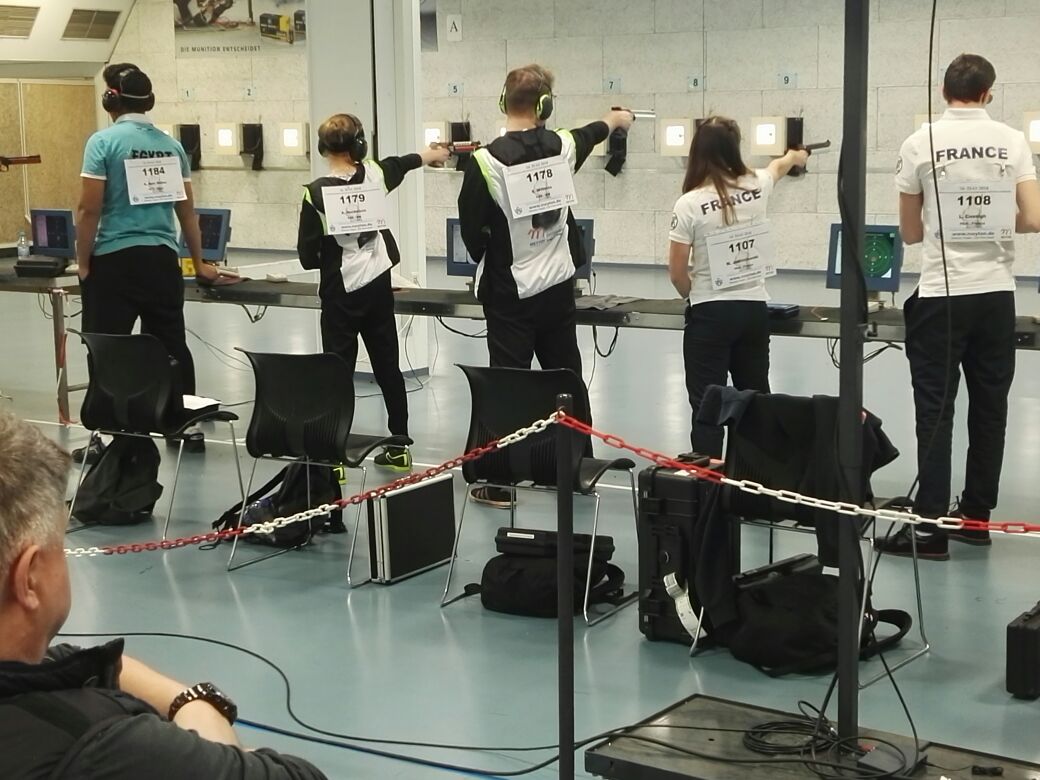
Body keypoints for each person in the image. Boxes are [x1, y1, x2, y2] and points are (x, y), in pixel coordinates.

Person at [0, 411, 327, 779]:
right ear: (29, 578)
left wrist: (189, 701)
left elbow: (79, 662)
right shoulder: (107, 751)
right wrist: (212, 744)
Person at [876, 54, 1040, 561]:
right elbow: (1034, 218)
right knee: (990, 410)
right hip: (995, 296)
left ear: (943, 91)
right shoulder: (1013, 141)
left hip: (942, 296)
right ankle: (975, 519)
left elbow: (910, 232)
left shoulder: (918, 142)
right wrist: (994, 223)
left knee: (936, 411)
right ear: (988, 93)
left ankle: (929, 530)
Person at [457, 63, 634, 507]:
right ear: (545, 105)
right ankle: (579, 466)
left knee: (510, 384)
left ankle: (502, 480)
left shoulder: (485, 161)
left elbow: (471, 228)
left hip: (510, 291)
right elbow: (592, 132)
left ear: (504, 101)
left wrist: (491, 254)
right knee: (566, 377)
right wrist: (616, 119)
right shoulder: (562, 146)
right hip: (557, 286)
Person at [75, 62, 227, 463]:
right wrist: (200, 262)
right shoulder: (171, 146)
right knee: (171, 344)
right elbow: (187, 212)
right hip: (161, 261)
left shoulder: (102, 143)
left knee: (106, 348)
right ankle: (184, 423)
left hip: (114, 261)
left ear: (111, 99)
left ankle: (108, 432)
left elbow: (89, 210)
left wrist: (83, 262)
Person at [298, 113, 450, 472]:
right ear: (360, 145)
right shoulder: (375, 176)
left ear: (321, 148)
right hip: (378, 289)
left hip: (340, 294)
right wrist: (432, 154)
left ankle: (333, 454)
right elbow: (403, 163)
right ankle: (399, 446)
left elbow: (307, 257)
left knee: (337, 375)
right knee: (388, 369)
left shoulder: (315, 193)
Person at [667, 116, 808, 458]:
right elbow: (777, 167)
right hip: (753, 310)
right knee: (756, 400)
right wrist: (795, 156)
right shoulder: (757, 185)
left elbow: (677, 273)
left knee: (708, 405)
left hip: (710, 314)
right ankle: (758, 476)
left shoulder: (689, 204)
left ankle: (708, 479)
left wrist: (694, 296)